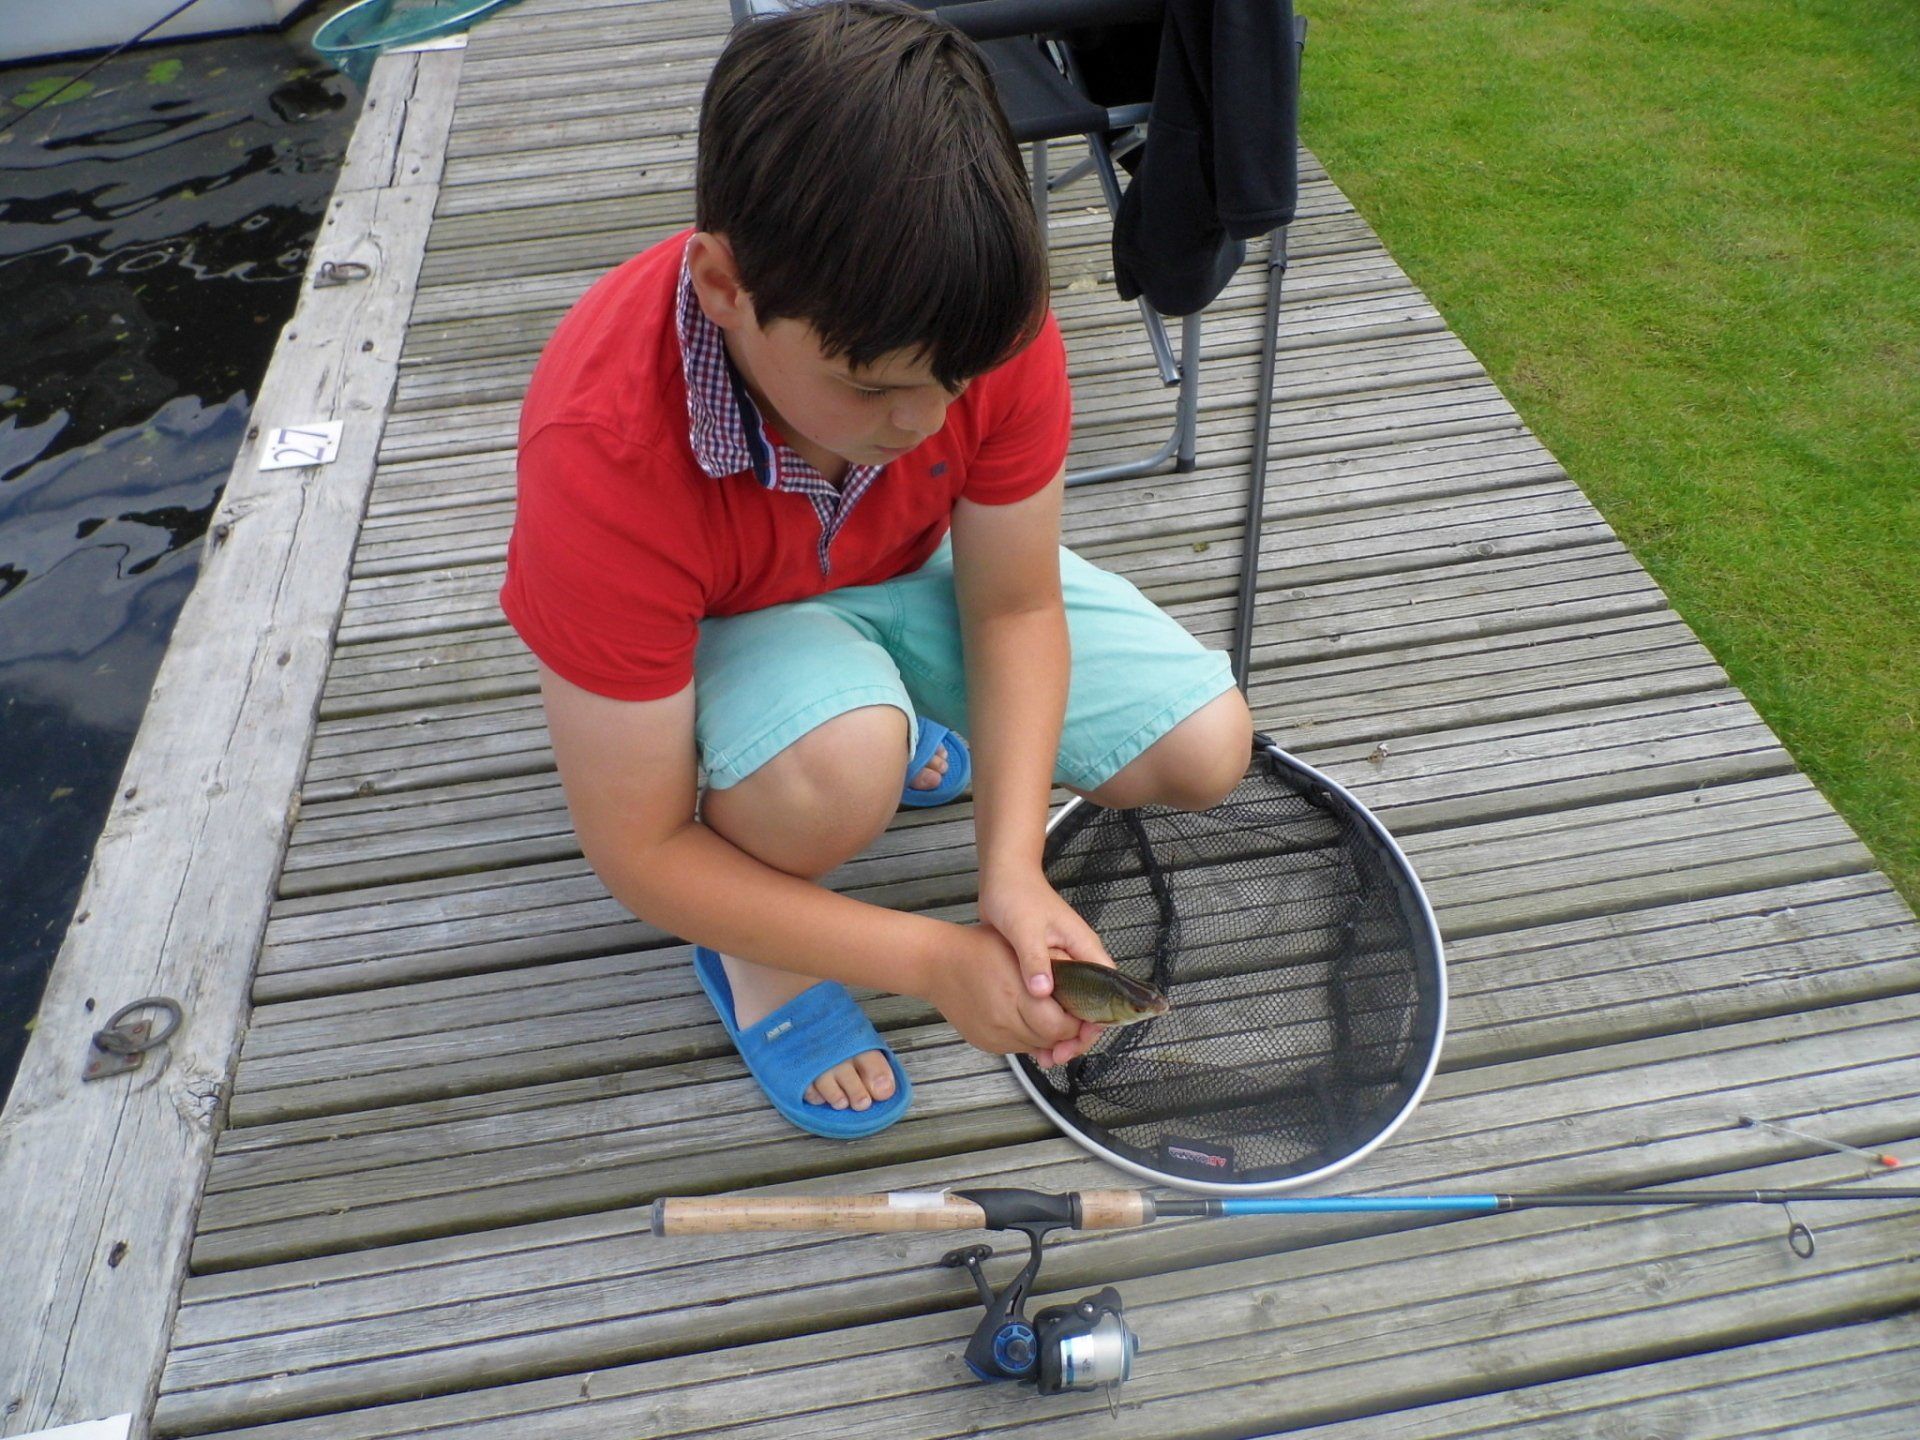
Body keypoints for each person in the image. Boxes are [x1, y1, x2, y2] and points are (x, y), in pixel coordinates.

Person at [500, 0, 1252, 1139]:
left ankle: (887, 710)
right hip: (733, 608)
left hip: (904, 565)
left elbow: (1013, 606)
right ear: (722, 286)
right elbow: (640, 848)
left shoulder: (976, 319)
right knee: (835, 773)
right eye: (871, 387)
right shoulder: (601, 450)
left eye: (957, 384)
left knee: (1203, 749)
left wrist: (1010, 870)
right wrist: (931, 959)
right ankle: (763, 953)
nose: (926, 423)